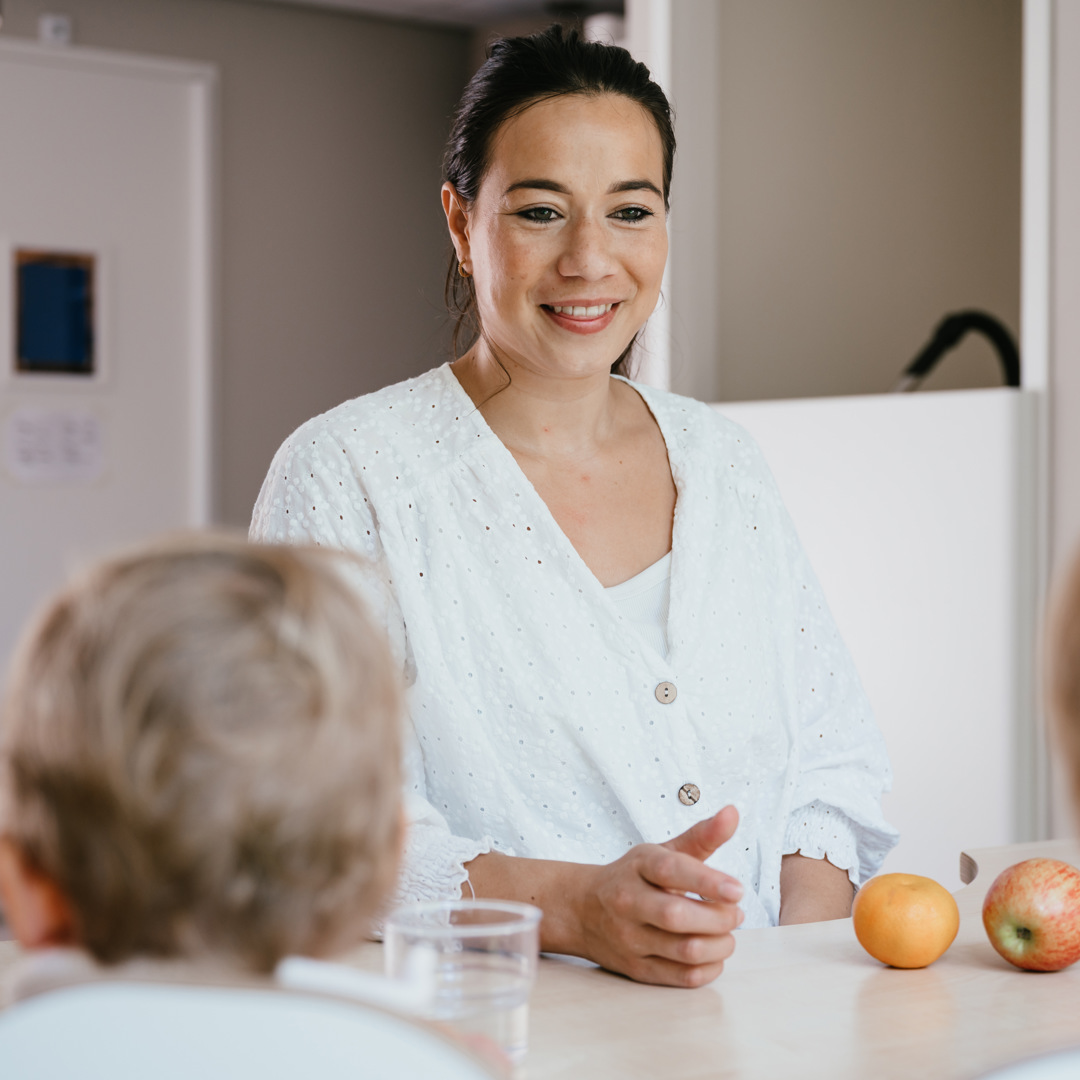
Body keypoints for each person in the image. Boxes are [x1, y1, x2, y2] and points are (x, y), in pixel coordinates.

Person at [251, 25, 898, 988]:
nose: (590, 260)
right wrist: (577, 910)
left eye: (630, 211)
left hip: (765, 1029)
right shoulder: (346, 474)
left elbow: (830, 766)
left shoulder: (724, 463)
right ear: (460, 223)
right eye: (541, 211)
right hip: (504, 1027)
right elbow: (317, 826)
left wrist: (787, 977)